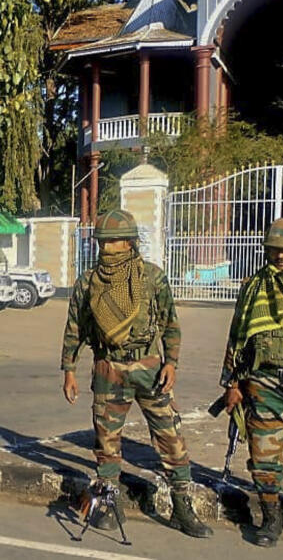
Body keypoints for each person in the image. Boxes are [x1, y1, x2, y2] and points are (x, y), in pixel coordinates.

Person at [61, 210, 211, 537]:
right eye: (103, 241)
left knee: (170, 436)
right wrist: (69, 369)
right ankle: (109, 504)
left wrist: (171, 363)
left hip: (149, 369)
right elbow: (74, 329)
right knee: (106, 442)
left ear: (130, 241)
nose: (108, 247)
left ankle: (182, 507)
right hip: (108, 368)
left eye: (115, 240)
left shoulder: (152, 277)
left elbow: (171, 323)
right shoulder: (87, 282)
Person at [220, 217, 283, 547]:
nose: (282, 255)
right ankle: (271, 517)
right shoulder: (254, 287)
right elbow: (237, 337)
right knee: (263, 456)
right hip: (263, 383)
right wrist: (232, 384)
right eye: (276, 248)